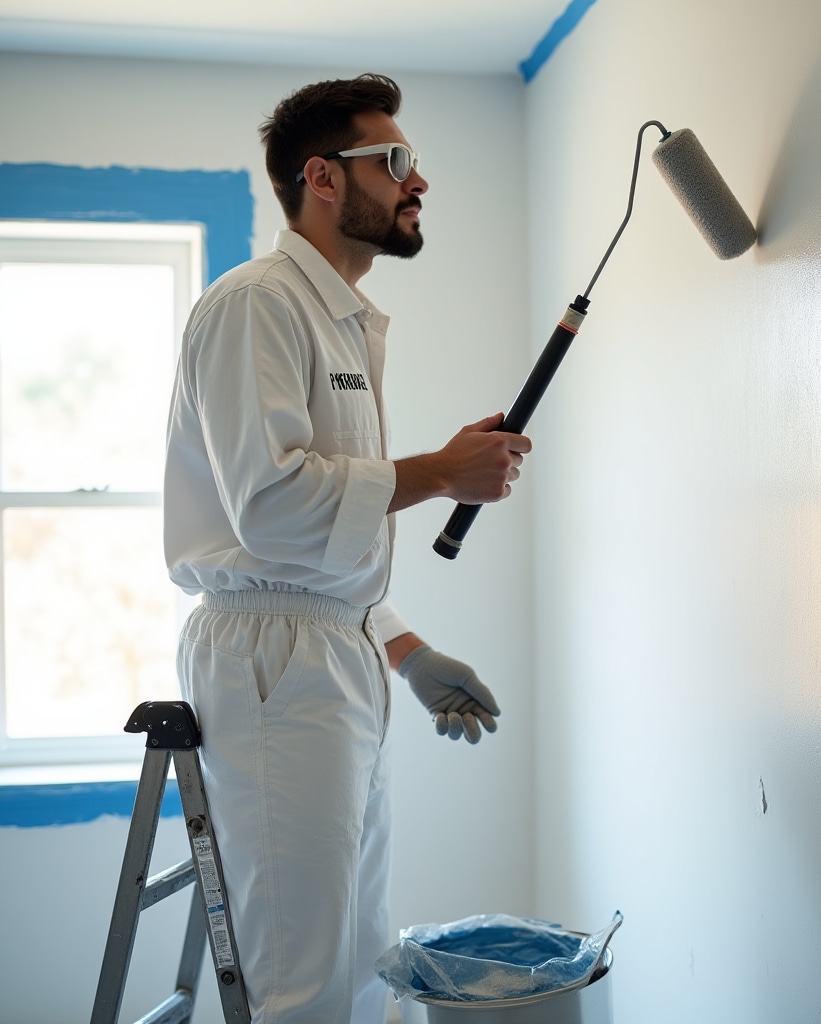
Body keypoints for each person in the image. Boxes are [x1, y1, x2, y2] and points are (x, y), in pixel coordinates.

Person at [163, 73, 530, 1024]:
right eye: (395, 160)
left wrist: (404, 650)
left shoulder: (341, 322)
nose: (419, 181)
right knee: (303, 978)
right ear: (322, 178)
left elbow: (320, 558)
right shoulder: (257, 305)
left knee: (364, 964)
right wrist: (440, 472)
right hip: (275, 667)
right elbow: (273, 513)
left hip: (332, 654)